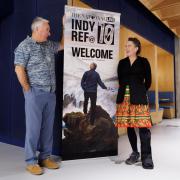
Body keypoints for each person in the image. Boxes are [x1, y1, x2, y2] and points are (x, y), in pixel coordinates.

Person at [14, 17, 64, 175]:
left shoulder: (48, 45)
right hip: (35, 93)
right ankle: (31, 161)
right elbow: (19, 69)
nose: (49, 33)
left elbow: (63, 45)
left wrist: (65, 25)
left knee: (48, 128)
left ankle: (45, 157)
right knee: (33, 129)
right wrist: (27, 89)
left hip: (50, 93)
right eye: (47, 30)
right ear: (37, 29)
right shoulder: (24, 46)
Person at [115, 37, 154, 169]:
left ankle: (147, 157)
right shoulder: (122, 63)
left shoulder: (144, 62)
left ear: (136, 48)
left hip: (139, 97)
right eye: (126, 46)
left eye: (129, 46)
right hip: (125, 98)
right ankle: (135, 153)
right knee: (129, 126)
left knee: (143, 127)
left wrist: (140, 90)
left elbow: (148, 81)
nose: (127, 48)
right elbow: (121, 80)